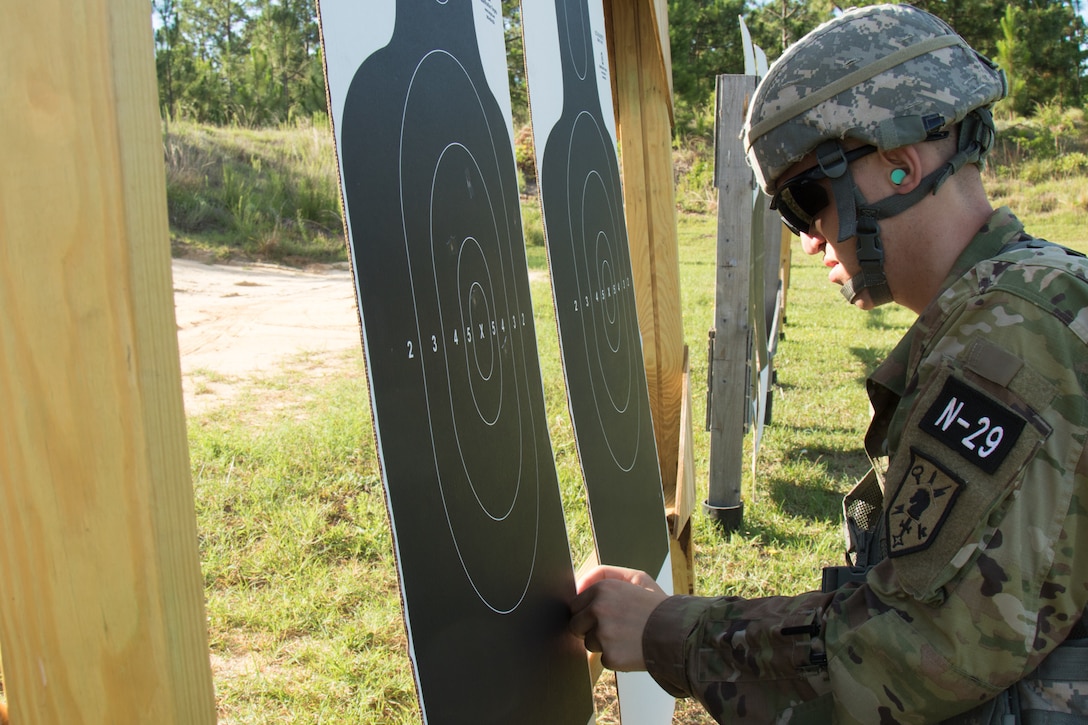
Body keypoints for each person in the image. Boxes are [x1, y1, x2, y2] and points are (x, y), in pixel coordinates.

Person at [568, 5, 1088, 723]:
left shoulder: (1011, 340)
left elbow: (916, 652)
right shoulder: (1033, 296)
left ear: (901, 164)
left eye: (807, 199)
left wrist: (668, 630)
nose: (810, 237)